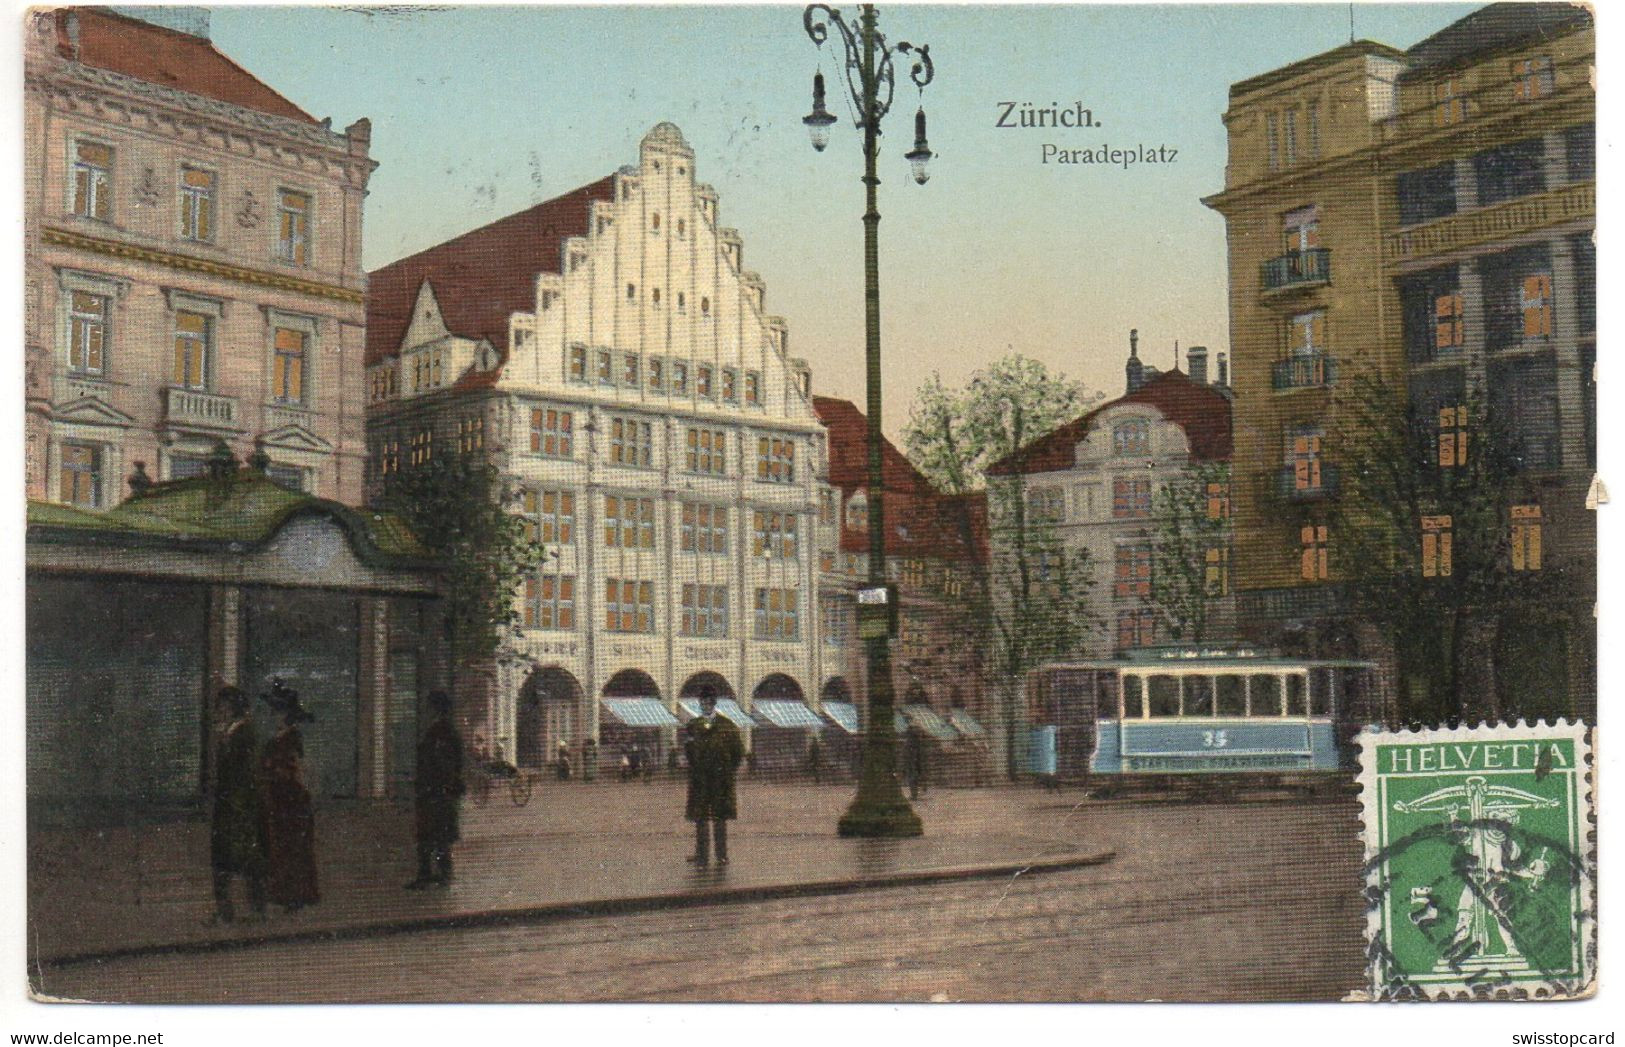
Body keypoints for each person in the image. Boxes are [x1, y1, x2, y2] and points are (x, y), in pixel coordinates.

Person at [209, 686, 266, 923]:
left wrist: (240, 805)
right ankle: (227, 911)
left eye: (224, 706)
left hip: (240, 809)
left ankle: (254, 910)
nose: (220, 711)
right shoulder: (230, 733)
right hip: (228, 808)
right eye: (219, 706)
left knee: (244, 860)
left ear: (234, 708)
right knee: (225, 860)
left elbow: (248, 773)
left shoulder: (245, 734)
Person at [261, 680, 320, 911]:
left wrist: (274, 771)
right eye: (274, 711)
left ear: (288, 715)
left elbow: (295, 769)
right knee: (280, 848)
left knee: (293, 848)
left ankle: (296, 895)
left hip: (292, 801)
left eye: (278, 711)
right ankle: (284, 893)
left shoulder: (291, 738)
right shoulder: (275, 739)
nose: (274, 716)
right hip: (278, 800)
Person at [407, 691, 464, 889]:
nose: (425, 709)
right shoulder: (440, 729)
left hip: (438, 792)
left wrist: (436, 785)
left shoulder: (442, 731)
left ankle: (440, 875)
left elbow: (445, 763)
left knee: (437, 836)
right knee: (431, 836)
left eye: (429, 706)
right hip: (436, 791)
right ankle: (430, 874)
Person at [683, 686, 744, 866]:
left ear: (714, 704)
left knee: (719, 818)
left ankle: (721, 855)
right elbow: (689, 752)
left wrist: (727, 770)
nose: (705, 706)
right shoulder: (693, 726)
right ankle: (701, 855)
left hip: (720, 780)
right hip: (700, 781)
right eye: (702, 703)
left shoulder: (727, 726)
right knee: (700, 818)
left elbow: (738, 752)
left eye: (708, 702)